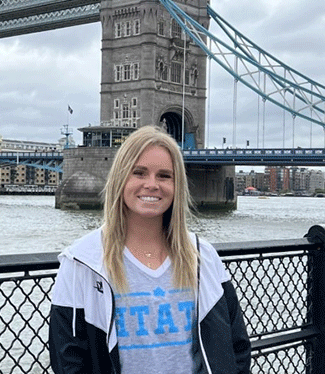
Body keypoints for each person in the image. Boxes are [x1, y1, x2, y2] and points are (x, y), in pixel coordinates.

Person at [49, 125, 251, 373]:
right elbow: (68, 359)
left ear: (178, 185)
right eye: (139, 173)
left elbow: (237, 348)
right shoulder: (82, 262)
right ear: (120, 179)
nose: (152, 185)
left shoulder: (204, 257)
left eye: (164, 176)